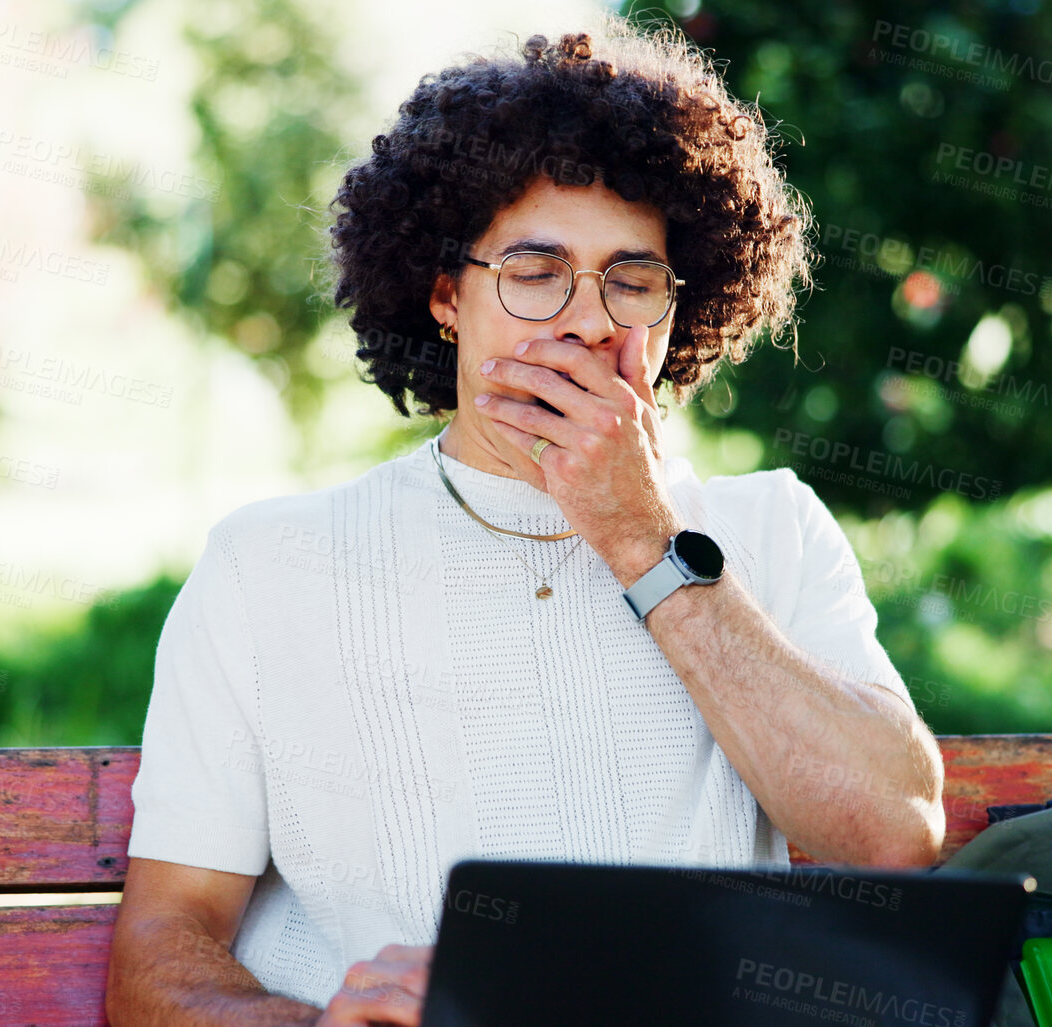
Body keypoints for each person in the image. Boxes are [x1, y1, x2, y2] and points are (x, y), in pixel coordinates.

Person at [106, 20, 944, 1027]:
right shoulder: (270, 565)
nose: (590, 319)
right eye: (536, 270)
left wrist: (641, 536)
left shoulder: (774, 528)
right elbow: (160, 956)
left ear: (685, 307)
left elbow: (895, 833)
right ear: (447, 293)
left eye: (632, 280)